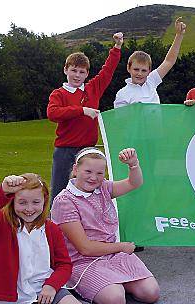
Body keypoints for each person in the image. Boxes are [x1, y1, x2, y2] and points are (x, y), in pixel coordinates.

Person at [51, 147, 159, 304]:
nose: (94, 177)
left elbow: (134, 183)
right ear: (75, 169)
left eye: (100, 173)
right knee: (115, 301)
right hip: (82, 261)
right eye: (88, 171)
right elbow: (85, 248)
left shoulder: (103, 188)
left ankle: (113, 283)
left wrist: (133, 165)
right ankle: (93, 292)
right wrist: (121, 247)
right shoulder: (64, 201)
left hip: (112, 255)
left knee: (151, 293)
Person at [0, 174, 92, 304]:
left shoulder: (51, 228)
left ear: (44, 201)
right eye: (22, 202)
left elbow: (64, 265)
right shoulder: (1, 224)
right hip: (18, 299)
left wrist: (52, 286)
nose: (29, 209)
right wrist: (3, 190)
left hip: (48, 289)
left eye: (36, 202)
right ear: (12, 201)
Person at [47, 32, 124, 205]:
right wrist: (81, 110)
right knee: (60, 192)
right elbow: (53, 113)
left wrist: (117, 47)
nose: (77, 75)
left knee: (90, 192)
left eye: (81, 72)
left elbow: (108, 70)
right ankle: (56, 230)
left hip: (88, 150)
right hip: (65, 151)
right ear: (65, 70)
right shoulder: (58, 94)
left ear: (87, 74)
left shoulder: (93, 89)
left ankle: (88, 225)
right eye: (73, 70)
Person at [114, 18, 186, 108]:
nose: (139, 74)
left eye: (144, 70)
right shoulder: (122, 94)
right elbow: (121, 120)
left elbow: (169, 61)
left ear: (149, 71)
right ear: (129, 68)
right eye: (136, 69)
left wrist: (179, 35)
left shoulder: (151, 80)